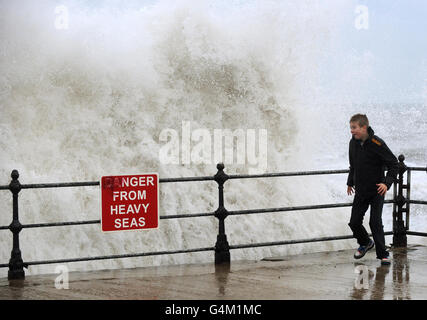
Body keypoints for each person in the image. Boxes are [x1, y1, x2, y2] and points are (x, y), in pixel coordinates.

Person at [346, 114, 398, 266]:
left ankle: (383, 254)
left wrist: (386, 184)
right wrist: (350, 182)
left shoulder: (377, 143)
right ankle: (366, 242)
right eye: (350, 128)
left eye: (354, 128)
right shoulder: (352, 143)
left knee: (375, 222)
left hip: (377, 190)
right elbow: (353, 165)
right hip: (361, 190)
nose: (351, 131)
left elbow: (394, 164)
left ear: (364, 127)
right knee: (354, 222)